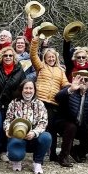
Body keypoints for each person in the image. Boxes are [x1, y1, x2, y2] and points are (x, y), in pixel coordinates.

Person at [54, 70, 88, 167]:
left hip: (81, 125)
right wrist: (71, 89)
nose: (83, 81)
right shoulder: (69, 90)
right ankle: (63, 156)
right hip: (64, 123)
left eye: (86, 79)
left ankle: (76, 151)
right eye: (80, 79)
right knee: (71, 127)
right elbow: (57, 98)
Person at [29, 33, 68, 161]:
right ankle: (38, 153)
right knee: (39, 126)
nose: (51, 59)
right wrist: (36, 41)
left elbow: (65, 84)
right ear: (45, 58)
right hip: (40, 101)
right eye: (48, 57)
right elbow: (33, 55)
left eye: (52, 57)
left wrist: (73, 86)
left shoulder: (60, 71)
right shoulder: (41, 67)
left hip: (53, 103)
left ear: (56, 58)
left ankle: (52, 154)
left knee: (51, 128)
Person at [3, 81, 52, 174]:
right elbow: (8, 120)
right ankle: (16, 160)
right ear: (21, 89)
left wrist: (34, 132)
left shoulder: (40, 104)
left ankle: (37, 163)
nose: (28, 91)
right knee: (15, 155)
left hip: (34, 137)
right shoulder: (14, 103)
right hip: (18, 136)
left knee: (47, 137)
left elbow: (43, 122)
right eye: (26, 88)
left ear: (34, 90)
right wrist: (7, 129)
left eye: (31, 88)